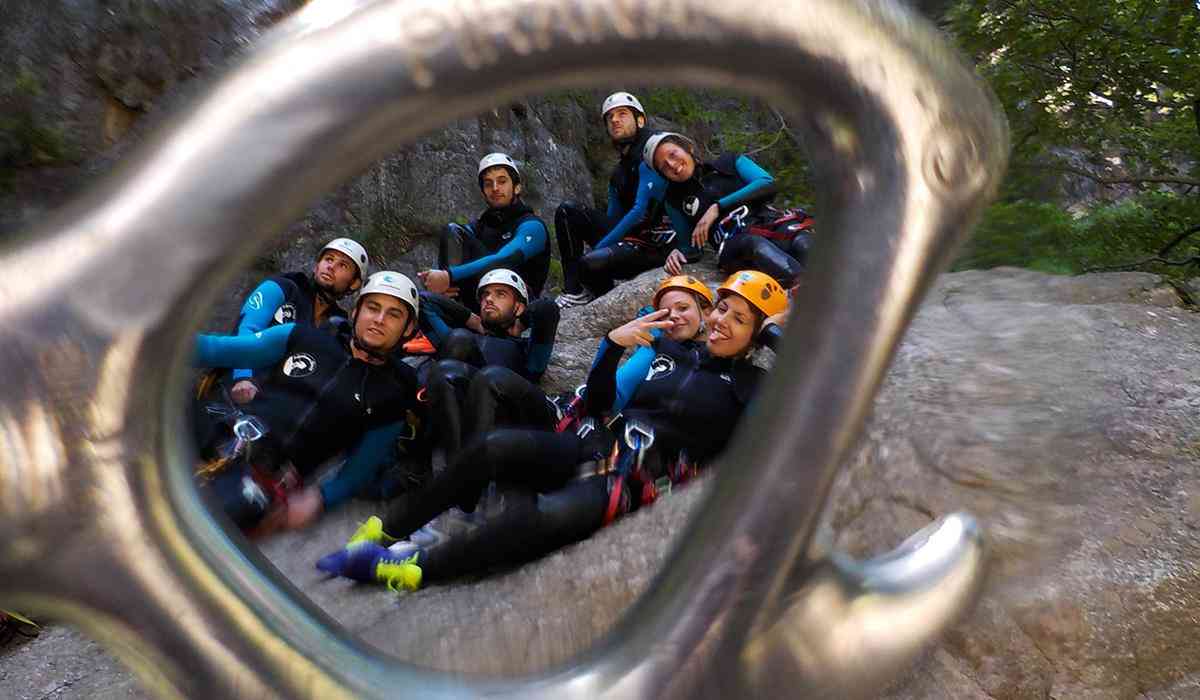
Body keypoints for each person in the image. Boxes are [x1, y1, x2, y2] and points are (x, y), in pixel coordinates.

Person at [317, 270, 789, 592]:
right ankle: (381, 531)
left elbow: (789, 416)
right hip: (595, 448)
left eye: (739, 318)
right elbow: (603, 403)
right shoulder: (674, 356)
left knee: (530, 522)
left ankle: (402, 571)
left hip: (633, 482)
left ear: (757, 333)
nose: (721, 321)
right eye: (721, 309)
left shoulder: (753, 385)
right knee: (494, 447)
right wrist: (609, 347)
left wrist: (773, 333)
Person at [192, 271, 421, 533]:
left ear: (408, 328)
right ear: (356, 310)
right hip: (225, 430)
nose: (379, 320)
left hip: (263, 476)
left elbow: (357, 473)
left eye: (394, 314)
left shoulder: (391, 396)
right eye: (373, 307)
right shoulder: (303, 337)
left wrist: (320, 499)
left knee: (217, 515)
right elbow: (218, 349)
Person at [416, 268, 560, 462]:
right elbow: (423, 301)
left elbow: (546, 309)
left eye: (500, 294)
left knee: (478, 362)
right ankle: (455, 465)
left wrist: (519, 322)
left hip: (505, 413)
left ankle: (461, 468)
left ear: (518, 307)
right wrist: (475, 321)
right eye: (485, 295)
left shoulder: (528, 351)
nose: (489, 300)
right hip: (457, 413)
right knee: (458, 341)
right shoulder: (466, 341)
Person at [554, 92, 681, 308]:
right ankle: (575, 291)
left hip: (659, 242)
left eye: (622, 114)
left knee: (590, 261)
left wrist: (599, 248)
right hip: (633, 238)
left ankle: (594, 286)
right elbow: (614, 217)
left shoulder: (656, 151)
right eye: (610, 117)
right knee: (568, 212)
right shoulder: (619, 173)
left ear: (640, 120)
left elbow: (639, 211)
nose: (614, 120)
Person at [644, 132, 810, 288]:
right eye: (664, 166)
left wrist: (718, 207)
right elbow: (691, 249)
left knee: (803, 243)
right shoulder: (674, 201)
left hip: (771, 225)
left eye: (673, 154)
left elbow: (767, 183)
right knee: (754, 245)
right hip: (736, 246)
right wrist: (677, 252)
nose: (672, 165)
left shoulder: (729, 162)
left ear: (688, 148)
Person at [224, 238, 370, 405]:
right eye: (328, 259)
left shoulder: (339, 326)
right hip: (231, 392)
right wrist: (243, 377)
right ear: (317, 266)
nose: (331, 266)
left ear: (354, 283)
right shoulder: (282, 287)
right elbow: (247, 327)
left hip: (278, 411)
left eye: (343, 265)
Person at [418, 153, 550, 313]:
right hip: (480, 298)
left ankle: (453, 311)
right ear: (483, 192)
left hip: (516, 305)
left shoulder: (532, 225)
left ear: (517, 187)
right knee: (452, 231)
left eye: (502, 181)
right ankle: (454, 307)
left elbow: (506, 258)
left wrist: (449, 276)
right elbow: (455, 240)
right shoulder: (481, 225)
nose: (495, 188)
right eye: (488, 184)